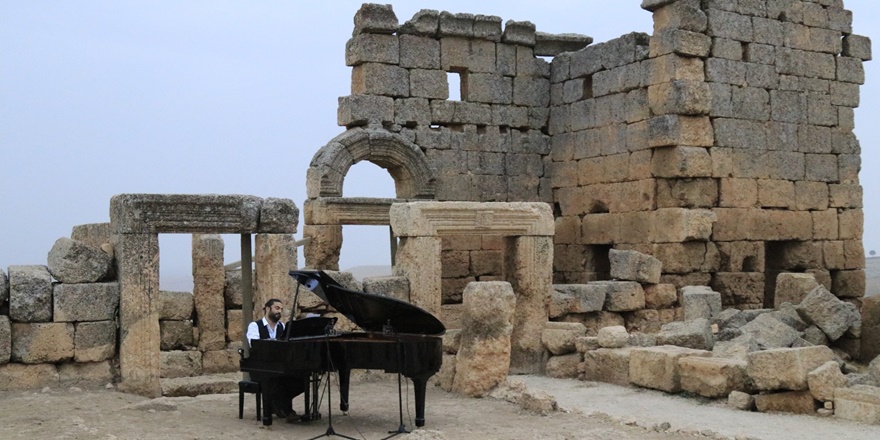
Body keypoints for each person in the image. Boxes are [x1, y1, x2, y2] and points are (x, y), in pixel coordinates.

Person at [246, 298, 304, 422]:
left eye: (281, 309)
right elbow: (254, 344)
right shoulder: (255, 326)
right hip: (260, 367)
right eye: (277, 308)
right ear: (268, 309)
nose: (279, 311)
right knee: (276, 382)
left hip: (279, 366)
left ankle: (278, 405)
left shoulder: (282, 326)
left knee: (301, 381)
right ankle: (286, 410)